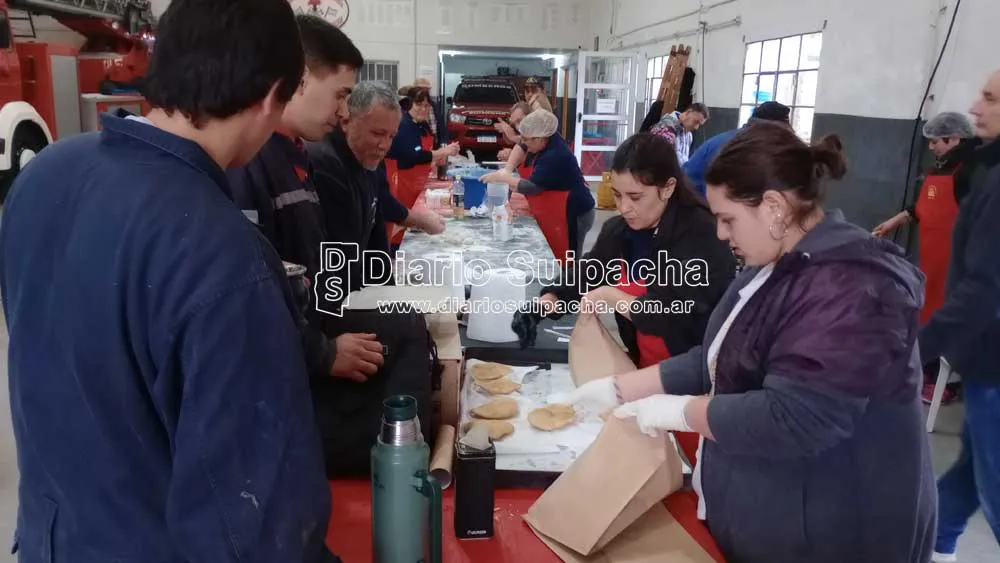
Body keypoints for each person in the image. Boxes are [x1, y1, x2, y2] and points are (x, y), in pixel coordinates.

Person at [0, 0, 339, 561]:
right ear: (271, 94)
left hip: (54, 541)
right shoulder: (225, 253)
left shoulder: (43, 176)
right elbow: (259, 520)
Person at [564, 123, 937, 563]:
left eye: (728, 219)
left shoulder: (849, 287)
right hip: (776, 508)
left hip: (839, 526)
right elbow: (720, 356)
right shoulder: (777, 264)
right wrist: (621, 389)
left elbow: (796, 416)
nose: (721, 234)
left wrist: (678, 411)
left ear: (775, 207)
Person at [532, 133, 736, 462]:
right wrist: (552, 296)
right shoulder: (621, 231)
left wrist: (612, 295)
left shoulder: (702, 237)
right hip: (644, 369)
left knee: (691, 468)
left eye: (636, 197)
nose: (624, 207)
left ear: (668, 187)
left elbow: (665, 313)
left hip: (696, 378)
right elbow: (590, 271)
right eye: (617, 194)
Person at [307, 81, 440, 476]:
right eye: (377, 134)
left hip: (354, 287)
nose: (384, 145)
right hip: (329, 301)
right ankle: (392, 450)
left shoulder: (369, 164)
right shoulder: (326, 165)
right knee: (408, 329)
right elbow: (339, 258)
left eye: (391, 136)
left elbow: (375, 230)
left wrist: (392, 279)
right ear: (347, 119)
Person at [918, 69, 1000, 563]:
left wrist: (917, 347)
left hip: (994, 359)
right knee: (974, 467)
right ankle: (936, 543)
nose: (974, 108)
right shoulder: (985, 169)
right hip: (982, 354)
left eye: (989, 97)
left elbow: (986, 287)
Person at [873, 111, 979, 405]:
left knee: (953, 317)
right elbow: (921, 208)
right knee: (928, 311)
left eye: (935, 142)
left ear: (954, 138)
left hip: (958, 262)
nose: (931, 147)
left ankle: (952, 382)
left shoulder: (973, 170)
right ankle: (929, 373)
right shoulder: (938, 169)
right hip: (931, 260)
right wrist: (895, 221)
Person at [481, 109, 596, 263]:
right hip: (558, 210)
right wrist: (507, 169)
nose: (524, 143)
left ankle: (571, 284)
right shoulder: (542, 139)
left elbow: (531, 187)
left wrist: (505, 178)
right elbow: (521, 146)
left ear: (540, 139)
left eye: (527, 140)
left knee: (568, 259)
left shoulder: (554, 155)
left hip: (575, 213)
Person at [385, 86, 459, 250]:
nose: (423, 110)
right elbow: (412, 156)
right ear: (409, 105)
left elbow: (422, 153)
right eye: (419, 105)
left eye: (426, 106)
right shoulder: (404, 125)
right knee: (396, 225)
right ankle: (390, 255)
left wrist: (435, 160)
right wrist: (441, 152)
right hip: (401, 185)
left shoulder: (422, 126)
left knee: (403, 225)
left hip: (415, 186)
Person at [683, 101, 791, 197]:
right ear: (765, 129)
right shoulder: (733, 148)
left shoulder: (746, 143)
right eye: (778, 135)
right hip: (693, 202)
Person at [640, 102, 709, 165]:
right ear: (688, 112)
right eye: (695, 122)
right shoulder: (666, 129)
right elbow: (660, 160)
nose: (696, 127)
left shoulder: (689, 136)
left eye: (699, 125)